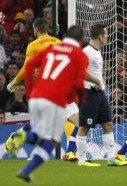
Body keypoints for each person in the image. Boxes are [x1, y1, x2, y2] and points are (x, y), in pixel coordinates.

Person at [9, 25, 89, 183]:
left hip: (41, 93)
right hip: (56, 98)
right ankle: (22, 139)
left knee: (76, 125)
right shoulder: (78, 55)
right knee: (50, 140)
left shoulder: (49, 50)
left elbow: (29, 66)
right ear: (81, 40)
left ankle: (23, 146)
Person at [76, 23, 127, 167]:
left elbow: (96, 74)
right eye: (105, 34)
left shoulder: (97, 52)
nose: (107, 36)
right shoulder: (87, 52)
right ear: (99, 36)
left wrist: (102, 84)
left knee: (108, 124)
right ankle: (82, 159)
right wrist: (96, 81)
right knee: (84, 127)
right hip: (88, 93)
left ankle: (111, 158)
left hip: (100, 93)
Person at [6, 18, 61, 93]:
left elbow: (26, 68)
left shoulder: (33, 45)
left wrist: (13, 82)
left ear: (36, 29)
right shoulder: (59, 42)